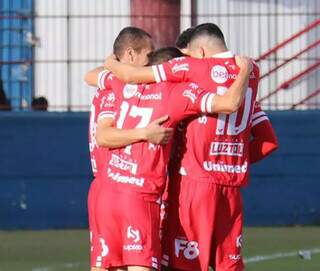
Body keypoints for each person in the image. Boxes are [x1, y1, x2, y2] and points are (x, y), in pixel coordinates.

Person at [103, 23, 278, 271]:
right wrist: (232, 159)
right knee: (229, 265)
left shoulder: (192, 67)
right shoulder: (250, 72)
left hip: (194, 184)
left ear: (202, 52)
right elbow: (268, 142)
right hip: (231, 188)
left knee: (185, 264)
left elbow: (131, 75)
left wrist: (110, 63)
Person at [85, 27, 174, 271]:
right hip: (121, 186)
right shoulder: (118, 90)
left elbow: (90, 75)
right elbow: (104, 136)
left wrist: (111, 65)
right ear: (131, 55)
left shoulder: (115, 82)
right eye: (149, 55)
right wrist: (145, 133)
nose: (152, 62)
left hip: (112, 189)